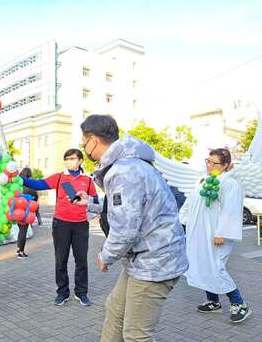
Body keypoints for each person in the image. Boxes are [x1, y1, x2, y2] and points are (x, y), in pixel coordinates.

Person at [75, 115, 188, 341]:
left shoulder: (124, 170)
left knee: (137, 335)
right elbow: (129, 206)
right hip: (143, 260)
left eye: (84, 143)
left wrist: (105, 256)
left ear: (93, 140)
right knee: (115, 312)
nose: (84, 149)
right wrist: (91, 202)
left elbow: (125, 229)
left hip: (154, 263)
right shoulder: (129, 163)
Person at [180, 148, 252, 323]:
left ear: (226, 165)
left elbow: (231, 210)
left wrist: (222, 232)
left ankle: (240, 304)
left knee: (216, 267)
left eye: (214, 162)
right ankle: (213, 301)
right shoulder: (202, 180)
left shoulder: (230, 183)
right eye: (208, 161)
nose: (209, 165)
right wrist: (182, 220)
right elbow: (190, 202)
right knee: (204, 264)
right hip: (199, 233)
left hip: (218, 235)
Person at [22, 149, 97, 307]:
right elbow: (39, 184)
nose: (69, 161)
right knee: (61, 260)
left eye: (72, 159)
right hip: (61, 224)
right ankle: (62, 292)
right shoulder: (60, 177)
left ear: (80, 161)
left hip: (81, 224)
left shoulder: (88, 180)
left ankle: (81, 293)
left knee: (81, 260)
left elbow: (95, 200)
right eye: (66, 159)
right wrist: (21, 179)